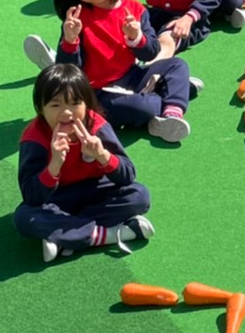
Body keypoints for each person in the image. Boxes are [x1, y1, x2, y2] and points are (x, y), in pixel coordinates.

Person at [29, 0, 193, 142]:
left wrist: (137, 37)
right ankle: (170, 92)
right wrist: (70, 40)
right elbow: (69, 70)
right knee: (142, 107)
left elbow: (150, 53)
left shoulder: (134, 8)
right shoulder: (77, 19)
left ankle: (172, 114)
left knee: (177, 65)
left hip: (131, 76)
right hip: (97, 91)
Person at [14, 63, 152, 263]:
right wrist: (54, 166)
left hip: (97, 190)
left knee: (139, 196)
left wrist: (102, 155)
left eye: (75, 103)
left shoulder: (97, 127)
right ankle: (107, 234)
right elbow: (31, 196)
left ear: (87, 104)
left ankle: (64, 235)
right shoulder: (34, 138)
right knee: (24, 217)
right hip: (57, 198)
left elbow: (128, 175)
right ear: (41, 109)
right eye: (55, 105)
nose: (67, 113)